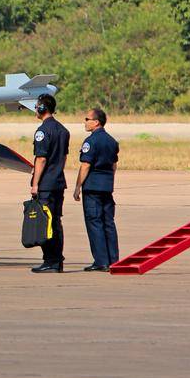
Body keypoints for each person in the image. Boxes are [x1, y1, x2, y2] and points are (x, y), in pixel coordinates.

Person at [27, 93, 70, 274]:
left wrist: (35, 183)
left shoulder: (43, 131)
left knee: (46, 223)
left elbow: (41, 159)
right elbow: (63, 157)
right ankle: (57, 260)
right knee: (56, 221)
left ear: (43, 108)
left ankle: (50, 261)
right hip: (58, 182)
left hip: (46, 184)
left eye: (37, 106)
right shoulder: (63, 130)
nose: (35, 110)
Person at [75, 106, 121, 271]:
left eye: (87, 119)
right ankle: (113, 260)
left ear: (96, 122)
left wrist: (77, 187)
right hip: (107, 187)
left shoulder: (91, 141)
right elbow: (114, 165)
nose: (85, 122)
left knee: (94, 222)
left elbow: (86, 165)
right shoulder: (111, 141)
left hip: (93, 188)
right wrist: (110, 181)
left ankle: (101, 261)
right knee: (108, 222)